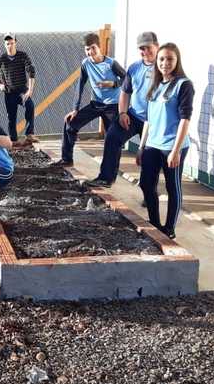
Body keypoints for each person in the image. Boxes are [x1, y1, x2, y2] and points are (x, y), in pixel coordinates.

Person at [136, 43, 194, 239]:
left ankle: (169, 229)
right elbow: (149, 120)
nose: (165, 63)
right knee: (145, 183)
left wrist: (176, 150)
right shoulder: (155, 86)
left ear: (177, 61)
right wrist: (141, 147)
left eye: (169, 59)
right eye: (161, 59)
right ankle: (154, 222)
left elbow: (185, 119)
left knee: (172, 187)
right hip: (153, 144)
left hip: (172, 146)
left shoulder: (183, 85)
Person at [86, 31, 159, 187]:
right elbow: (125, 92)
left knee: (149, 155)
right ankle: (106, 178)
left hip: (155, 122)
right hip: (134, 115)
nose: (145, 51)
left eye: (148, 47)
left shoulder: (164, 67)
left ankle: (149, 193)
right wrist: (122, 113)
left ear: (157, 46)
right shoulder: (134, 68)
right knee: (112, 136)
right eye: (141, 48)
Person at [53, 32, 126, 167]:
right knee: (70, 124)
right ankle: (67, 159)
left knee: (112, 139)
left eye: (93, 48)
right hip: (96, 104)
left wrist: (113, 84)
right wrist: (75, 109)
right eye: (87, 49)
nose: (90, 52)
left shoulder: (111, 63)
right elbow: (80, 85)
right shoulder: (85, 64)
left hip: (112, 106)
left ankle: (109, 171)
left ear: (99, 48)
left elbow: (127, 79)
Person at [0, 33, 36, 144]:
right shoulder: (2, 58)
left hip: (22, 90)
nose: (10, 45)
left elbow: (31, 72)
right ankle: (13, 140)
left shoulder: (22, 56)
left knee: (30, 106)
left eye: (12, 43)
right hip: (9, 92)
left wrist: (30, 90)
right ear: (5, 45)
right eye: (8, 44)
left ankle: (29, 134)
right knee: (11, 118)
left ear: (15, 43)